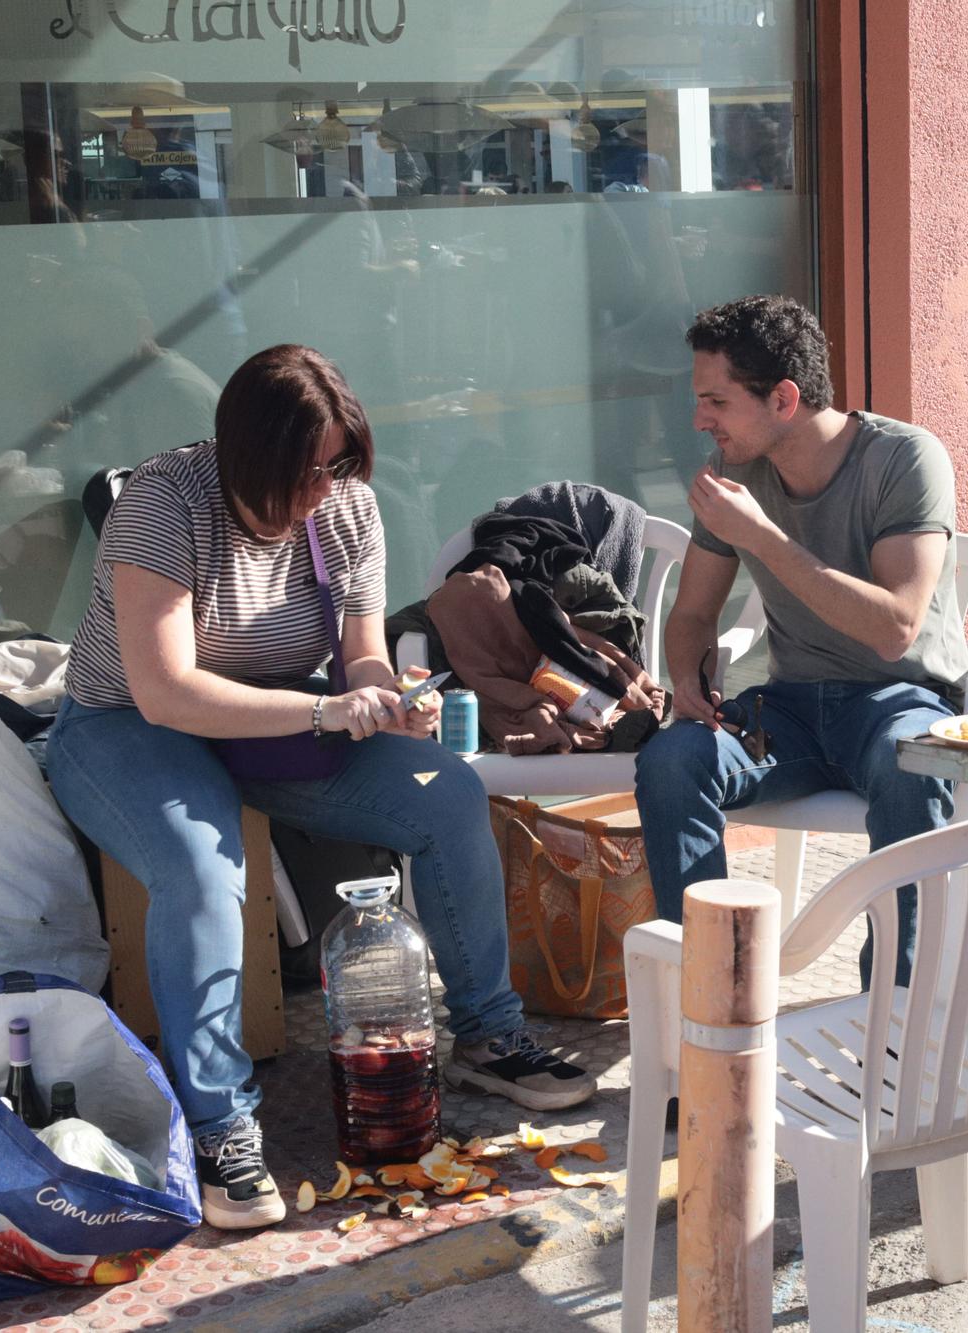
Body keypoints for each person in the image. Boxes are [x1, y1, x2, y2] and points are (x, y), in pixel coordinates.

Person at [46, 345, 593, 1232]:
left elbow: (362, 650)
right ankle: (220, 1120)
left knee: (446, 789)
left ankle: (490, 1034)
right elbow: (165, 688)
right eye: (307, 470)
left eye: (341, 464)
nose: (325, 487)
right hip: (128, 728)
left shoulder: (345, 506)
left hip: (282, 722)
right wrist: (327, 713)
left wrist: (386, 699)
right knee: (200, 863)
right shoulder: (162, 501)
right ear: (243, 455)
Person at [630, 295, 968, 988]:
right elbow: (694, 612)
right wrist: (687, 673)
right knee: (671, 761)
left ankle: (894, 1025)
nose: (700, 419)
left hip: (900, 700)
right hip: (787, 708)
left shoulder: (905, 458)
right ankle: (717, 1002)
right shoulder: (734, 475)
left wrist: (763, 536)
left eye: (716, 401)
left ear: (782, 398)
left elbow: (894, 626)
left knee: (914, 767)